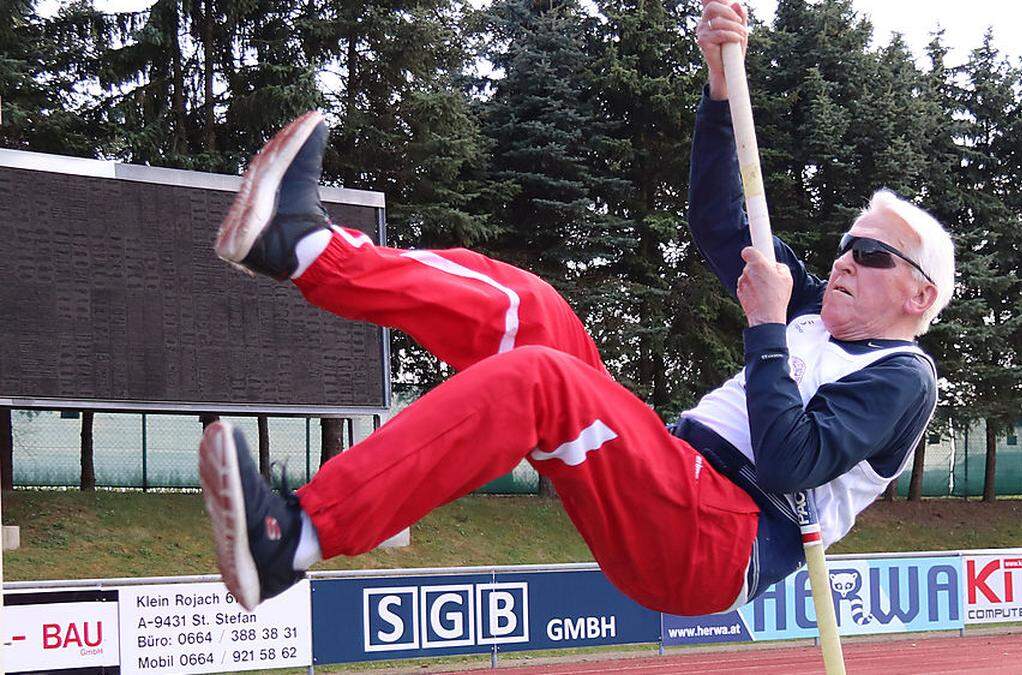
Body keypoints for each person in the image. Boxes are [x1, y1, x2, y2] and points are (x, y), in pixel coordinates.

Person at [199, 0, 953, 617]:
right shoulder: (810, 308)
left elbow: (791, 457)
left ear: (919, 294)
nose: (847, 257)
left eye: (874, 254)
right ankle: (302, 248)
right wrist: (722, 89)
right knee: (533, 310)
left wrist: (763, 324)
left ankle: (292, 536)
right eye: (849, 242)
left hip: (725, 534)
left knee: (543, 381)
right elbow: (722, 219)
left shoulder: (903, 379)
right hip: (676, 472)